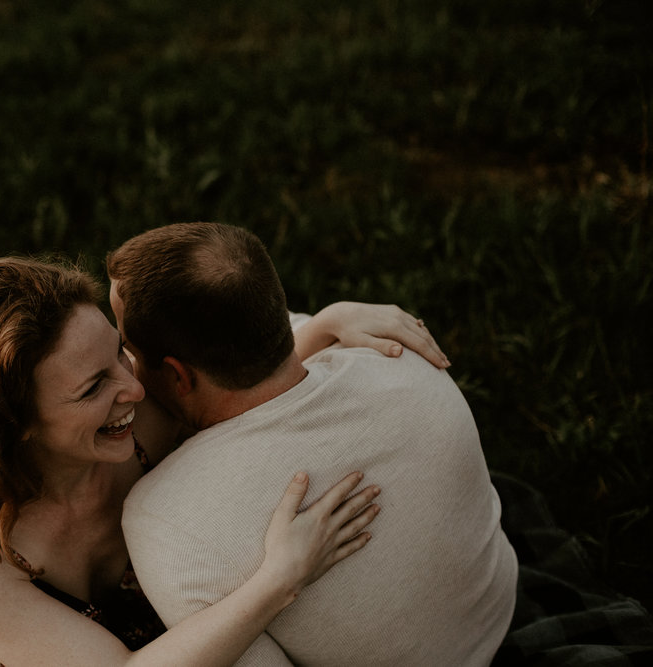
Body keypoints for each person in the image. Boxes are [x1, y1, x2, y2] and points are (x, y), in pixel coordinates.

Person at [0, 255, 445, 666]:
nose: (133, 387)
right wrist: (280, 577)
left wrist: (325, 324)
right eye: (93, 387)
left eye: (119, 352)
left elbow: (235, 380)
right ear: (17, 424)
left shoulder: (141, 414)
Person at [108, 223, 519, 666]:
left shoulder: (166, 521)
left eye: (127, 346)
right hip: (496, 616)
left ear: (178, 375)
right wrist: (331, 320)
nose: (126, 366)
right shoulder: (406, 357)